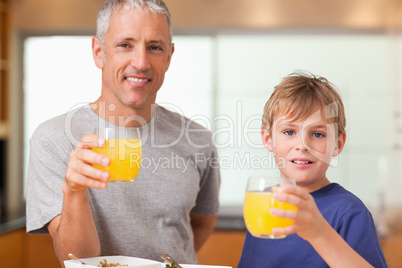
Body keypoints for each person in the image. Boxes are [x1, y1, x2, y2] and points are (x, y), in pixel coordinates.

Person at [26, 0, 220, 266]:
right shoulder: (53, 139)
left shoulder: (198, 139)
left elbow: (201, 224)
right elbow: (76, 260)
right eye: (125, 45)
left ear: (169, 57)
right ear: (98, 52)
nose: (140, 63)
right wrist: (74, 190)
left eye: (154, 47)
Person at [238, 72, 387, 267]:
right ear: (268, 139)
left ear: (337, 144)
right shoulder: (265, 203)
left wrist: (319, 233)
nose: (302, 145)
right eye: (289, 132)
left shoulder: (349, 212)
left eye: (317, 134)